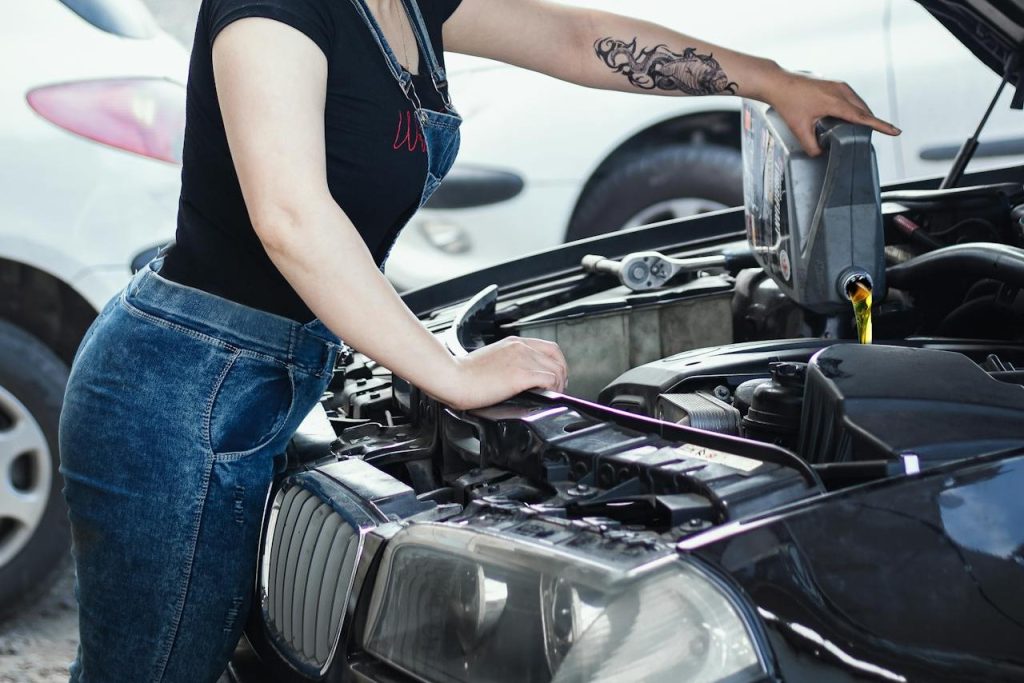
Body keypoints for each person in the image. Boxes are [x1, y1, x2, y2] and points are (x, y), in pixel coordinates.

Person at [57, 0, 900, 680]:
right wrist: (449, 373)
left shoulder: (407, 5)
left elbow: (577, 37)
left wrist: (769, 80)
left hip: (259, 377)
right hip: (177, 387)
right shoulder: (272, 10)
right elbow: (291, 218)